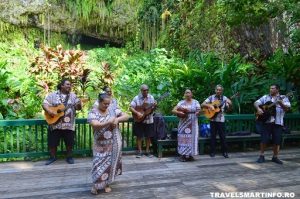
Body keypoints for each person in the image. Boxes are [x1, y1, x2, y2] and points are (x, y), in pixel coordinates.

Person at [88, 93, 129, 194]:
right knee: (97, 164)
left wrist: (117, 119)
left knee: (110, 164)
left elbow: (127, 115)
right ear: (99, 102)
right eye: (105, 104)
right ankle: (96, 185)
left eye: (108, 103)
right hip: (99, 144)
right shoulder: (93, 112)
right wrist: (109, 122)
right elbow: (95, 125)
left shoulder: (112, 109)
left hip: (113, 142)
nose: (107, 105)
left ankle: (106, 183)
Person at [42, 79, 82, 165]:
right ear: (62, 86)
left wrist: (79, 104)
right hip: (55, 124)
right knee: (53, 142)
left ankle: (69, 157)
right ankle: (53, 157)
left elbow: (78, 108)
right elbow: (44, 104)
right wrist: (50, 111)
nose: (69, 86)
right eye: (67, 84)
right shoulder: (52, 95)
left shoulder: (73, 96)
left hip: (68, 125)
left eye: (70, 85)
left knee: (69, 142)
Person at [254, 84, 290, 164]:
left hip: (278, 122)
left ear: (277, 90)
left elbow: (287, 108)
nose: (270, 90)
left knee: (277, 141)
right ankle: (261, 156)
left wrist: (281, 103)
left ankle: (275, 157)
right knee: (264, 139)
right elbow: (256, 102)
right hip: (267, 122)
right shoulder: (266, 97)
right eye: (270, 88)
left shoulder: (284, 97)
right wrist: (258, 108)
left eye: (272, 88)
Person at [201, 85, 232, 158]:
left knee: (222, 137)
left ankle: (225, 152)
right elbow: (202, 104)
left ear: (222, 91)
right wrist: (209, 106)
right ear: (215, 90)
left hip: (221, 120)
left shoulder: (225, 98)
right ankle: (212, 152)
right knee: (213, 137)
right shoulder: (211, 97)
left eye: (220, 90)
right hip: (212, 120)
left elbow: (229, 109)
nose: (218, 91)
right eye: (217, 90)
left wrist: (230, 104)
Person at [172, 89, 201, 162]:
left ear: (191, 94)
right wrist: (179, 113)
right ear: (184, 94)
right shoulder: (181, 103)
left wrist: (198, 112)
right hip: (183, 124)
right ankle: (183, 155)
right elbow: (173, 110)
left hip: (193, 124)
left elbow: (199, 110)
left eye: (189, 93)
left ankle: (190, 155)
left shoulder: (196, 102)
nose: (187, 94)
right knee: (183, 139)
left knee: (192, 139)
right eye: (186, 93)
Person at [130, 84, 156, 158]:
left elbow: (152, 109)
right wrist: (137, 112)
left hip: (149, 119)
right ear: (141, 90)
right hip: (139, 119)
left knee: (148, 136)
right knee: (139, 136)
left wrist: (154, 106)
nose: (146, 91)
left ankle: (147, 151)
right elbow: (131, 107)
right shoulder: (136, 98)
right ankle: (140, 151)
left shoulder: (151, 97)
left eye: (147, 90)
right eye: (144, 90)